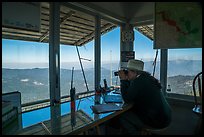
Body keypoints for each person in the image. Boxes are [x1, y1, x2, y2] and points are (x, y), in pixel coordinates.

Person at [117, 59, 172, 135]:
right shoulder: (146, 78)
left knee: (123, 116)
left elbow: (127, 99)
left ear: (135, 72)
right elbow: (132, 91)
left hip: (157, 121)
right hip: (164, 117)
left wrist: (123, 80)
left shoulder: (138, 82)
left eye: (128, 71)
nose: (127, 73)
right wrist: (127, 80)